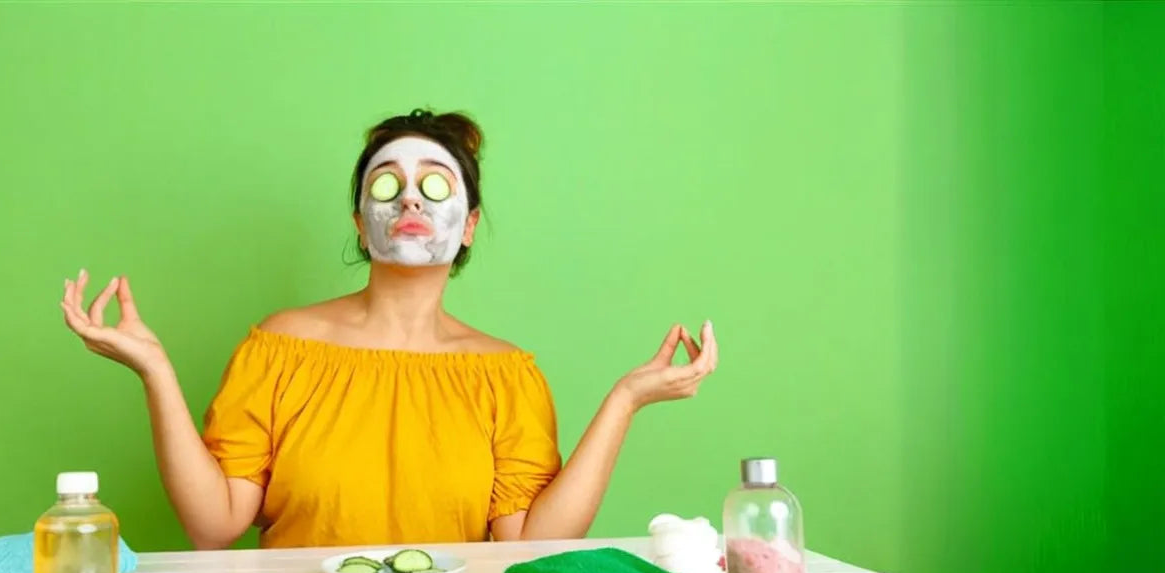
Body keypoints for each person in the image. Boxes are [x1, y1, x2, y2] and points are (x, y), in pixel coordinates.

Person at [60, 109, 718, 550]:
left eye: (435, 186)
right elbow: (212, 525)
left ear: (468, 225)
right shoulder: (282, 347)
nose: (409, 200)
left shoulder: (506, 375)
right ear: (357, 222)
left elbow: (528, 548)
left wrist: (625, 400)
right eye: (386, 186)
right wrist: (157, 372)